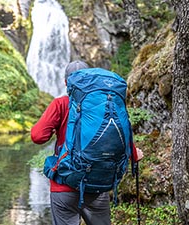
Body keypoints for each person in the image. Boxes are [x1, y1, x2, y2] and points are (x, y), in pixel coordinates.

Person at [31, 60, 143, 225]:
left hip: (64, 186)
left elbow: (37, 136)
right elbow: (116, 132)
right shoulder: (105, 104)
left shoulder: (60, 104)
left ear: (65, 82)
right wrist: (134, 154)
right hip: (96, 184)